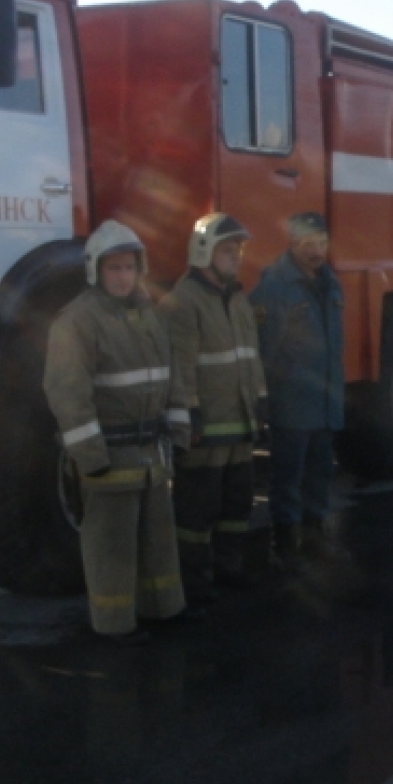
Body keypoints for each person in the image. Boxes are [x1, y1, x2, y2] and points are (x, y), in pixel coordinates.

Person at [45, 220, 195, 644]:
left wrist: (179, 432)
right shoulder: (77, 322)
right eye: (114, 268)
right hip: (111, 459)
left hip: (151, 455)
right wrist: (91, 458)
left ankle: (164, 611)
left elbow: (173, 376)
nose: (123, 276)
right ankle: (113, 628)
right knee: (112, 548)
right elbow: (67, 394)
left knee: (157, 542)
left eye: (129, 267)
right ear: (95, 270)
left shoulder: (151, 313)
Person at [163, 212, 268, 594]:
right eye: (227, 250)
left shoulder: (238, 299)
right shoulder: (183, 303)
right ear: (203, 251)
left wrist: (260, 400)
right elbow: (181, 366)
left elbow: (250, 355)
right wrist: (188, 414)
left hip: (239, 425)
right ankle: (194, 581)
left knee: (237, 505)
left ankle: (230, 568)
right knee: (197, 511)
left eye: (237, 250)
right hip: (205, 432)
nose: (236, 257)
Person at [251, 212, 345, 565]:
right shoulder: (274, 288)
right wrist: (265, 395)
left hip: (324, 402)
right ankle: (286, 544)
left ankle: (315, 536)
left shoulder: (329, 282)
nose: (316, 251)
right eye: (308, 244)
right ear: (292, 244)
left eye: (321, 242)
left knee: (320, 473)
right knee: (288, 477)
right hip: (291, 402)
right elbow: (263, 348)